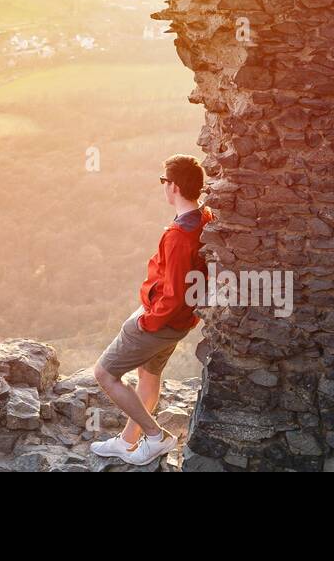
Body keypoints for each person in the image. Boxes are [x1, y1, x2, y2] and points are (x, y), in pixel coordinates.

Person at [91, 154, 213, 465]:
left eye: (163, 182)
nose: (163, 187)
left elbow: (172, 294)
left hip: (160, 321)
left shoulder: (177, 237)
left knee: (104, 373)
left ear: (173, 187)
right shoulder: (205, 218)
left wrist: (147, 321)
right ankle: (127, 441)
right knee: (148, 375)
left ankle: (156, 437)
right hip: (182, 320)